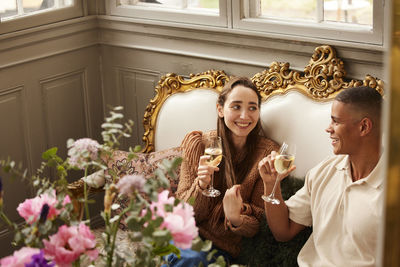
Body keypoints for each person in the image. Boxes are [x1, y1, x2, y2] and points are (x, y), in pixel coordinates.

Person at [258, 86, 383, 267]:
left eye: (336, 122)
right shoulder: (324, 171)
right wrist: (271, 185)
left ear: (364, 127)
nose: (328, 129)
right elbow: (283, 231)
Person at [165, 77, 279, 266]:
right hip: (184, 235)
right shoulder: (199, 145)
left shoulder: (266, 155)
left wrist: (236, 217)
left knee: (195, 260)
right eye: (236, 107)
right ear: (220, 109)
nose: (245, 116)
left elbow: (260, 222)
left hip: (222, 249)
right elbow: (182, 213)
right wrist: (201, 186)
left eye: (252, 107)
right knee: (190, 258)